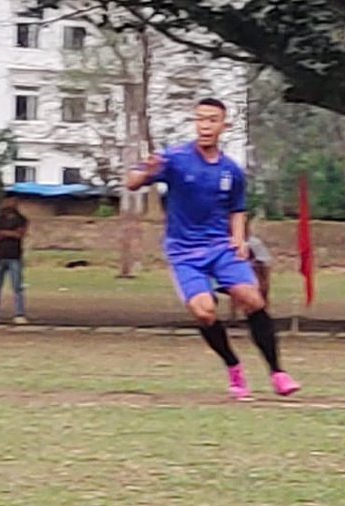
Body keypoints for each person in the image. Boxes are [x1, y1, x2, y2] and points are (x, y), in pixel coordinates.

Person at [126, 97, 300, 400]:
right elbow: (132, 182)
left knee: (253, 299)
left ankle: (278, 372)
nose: (205, 125)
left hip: (220, 248)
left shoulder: (231, 171)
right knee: (204, 312)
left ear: (224, 126)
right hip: (184, 251)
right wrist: (146, 172)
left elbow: (237, 208)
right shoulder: (175, 158)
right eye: (200, 119)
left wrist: (239, 238)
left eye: (211, 120)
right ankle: (234, 367)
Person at [0, 196, 29, 325]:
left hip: (15, 257)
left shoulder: (21, 219)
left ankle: (19, 314)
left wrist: (6, 233)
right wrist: (11, 233)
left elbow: (19, 235)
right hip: (0, 256)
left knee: (17, 286)